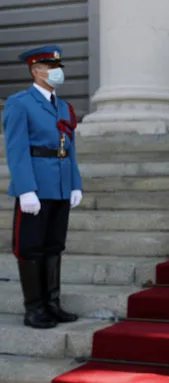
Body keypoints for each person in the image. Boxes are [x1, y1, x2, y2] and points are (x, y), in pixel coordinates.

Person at [3, 46, 82, 329]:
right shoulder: (20, 103)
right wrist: (25, 189)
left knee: (54, 246)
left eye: (58, 66)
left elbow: (69, 148)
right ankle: (34, 307)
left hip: (60, 186)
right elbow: (17, 149)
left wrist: (75, 184)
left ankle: (52, 303)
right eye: (51, 66)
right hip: (36, 186)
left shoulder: (63, 107)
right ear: (36, 71)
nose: (57, 71)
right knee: (30, 247)